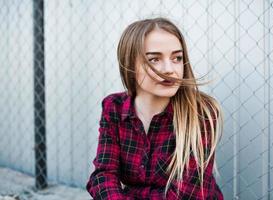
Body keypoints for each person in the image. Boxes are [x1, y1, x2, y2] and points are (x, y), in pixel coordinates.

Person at [86, 17, 224, 200]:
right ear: (130, 65)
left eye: (177, 58)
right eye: (154, 59)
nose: (169, 69)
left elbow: (189, 193)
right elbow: (104, 175)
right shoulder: (114, 108)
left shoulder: (200, 112)